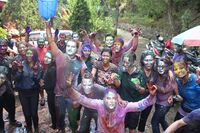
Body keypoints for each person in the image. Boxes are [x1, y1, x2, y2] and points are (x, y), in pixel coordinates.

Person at [65, 72, 157, 133]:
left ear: (117, 99)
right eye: (108, 98)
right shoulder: (99, 104)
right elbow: (82, 99)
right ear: (103, 99)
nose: (111, 101)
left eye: (113, 98)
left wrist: (151, 96)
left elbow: (139, 105)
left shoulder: (123, 106)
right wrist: (69, 88)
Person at [45, 21, 86, 133]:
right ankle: (61, 130)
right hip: (59, 94)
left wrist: (81, 95)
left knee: (73, 120)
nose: (69, 48)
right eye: (68, 46)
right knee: (60, 117)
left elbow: (84, 79)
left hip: (73, 95)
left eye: (73, 46)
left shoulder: (80, 61)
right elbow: (51, 41)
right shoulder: (59, 56)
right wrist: (48, 27)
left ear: (77, 49)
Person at [118, 51, 150, 133]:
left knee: (132, 128)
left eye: (127, 62)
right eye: (124, 62)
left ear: (134, 62)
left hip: (134, 106)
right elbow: (117, 85)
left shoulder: (140, 74)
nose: (125, 64)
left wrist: (139, 88)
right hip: (122, 104)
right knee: (122, 126)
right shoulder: (121, 71)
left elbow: (143, 91)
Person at [13, 48, 43, 133]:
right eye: (27, 53)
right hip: (23, 93)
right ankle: (29, 128)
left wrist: (35, 72)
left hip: (34, 92)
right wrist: (19, 70)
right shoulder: (21, 64)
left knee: (34, 113)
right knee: (27, 113)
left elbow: (38, 81)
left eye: (31, 53)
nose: (29, 55)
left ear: (34, 55)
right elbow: (16, 79)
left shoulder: (38, 65)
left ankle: (36, 128)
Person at [173, 54, 200, 133]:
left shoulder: (196, 81)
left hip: (194, 117)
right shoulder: (178, 81)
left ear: (187, 68)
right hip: (181, 112)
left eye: (181, 68)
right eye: (176, 69)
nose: (179, 71)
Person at [151, 57, 177, 133]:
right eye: (159, 66)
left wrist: (155, 86)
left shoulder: (170, 76)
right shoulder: (157, 74)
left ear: (168, 67)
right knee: (161, 119)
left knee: (154, 122)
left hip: (165, 104)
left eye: (163, 66)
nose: (160, 68)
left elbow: (164, 90)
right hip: (158, 102)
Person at [39, 51, 57, 129]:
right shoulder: (48, 67)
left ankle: (55, 125)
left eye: (48, 58)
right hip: (51, 93)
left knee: (53, 110)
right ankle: (55, 124)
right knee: (53, 110)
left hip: (52, 94)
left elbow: (53, 84)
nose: (46, 59)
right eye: (45, 57)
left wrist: (44, 85)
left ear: (52, 59)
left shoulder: (52, 69)